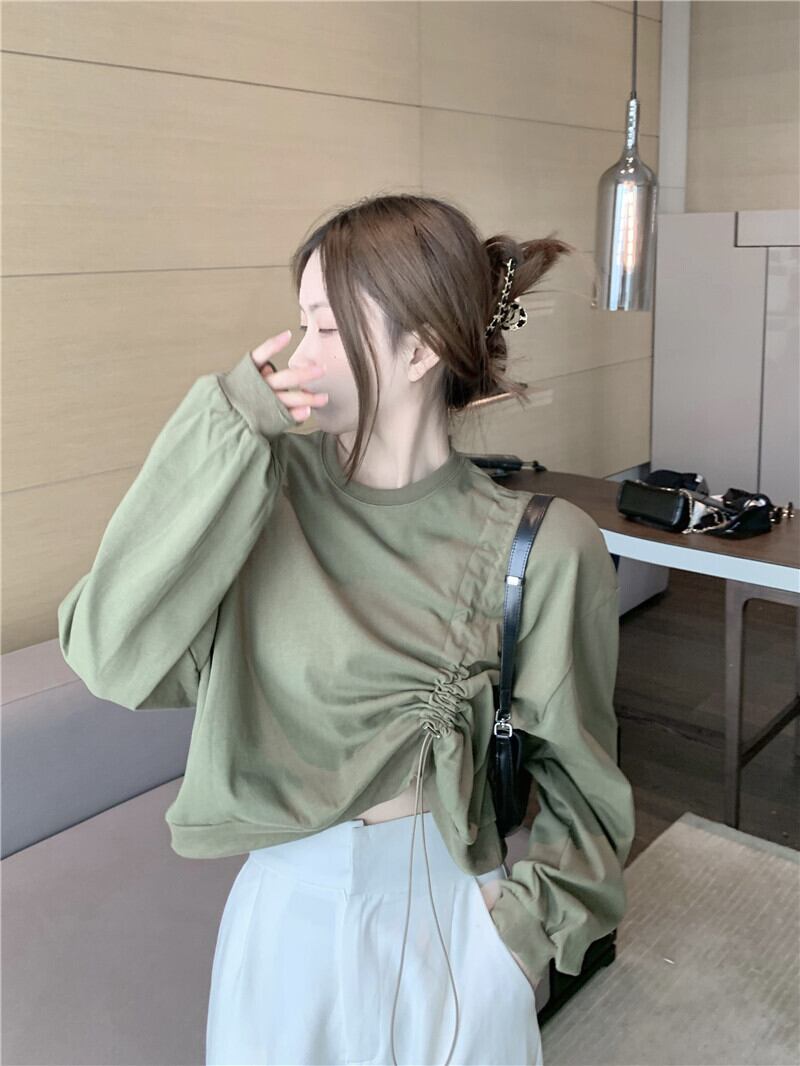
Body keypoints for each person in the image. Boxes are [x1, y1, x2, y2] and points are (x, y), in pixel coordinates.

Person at [57, 192, 636, 1066]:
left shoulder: (543, 547)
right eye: (302, 324)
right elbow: (110, 654)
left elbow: (584, 787)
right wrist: (225, 424)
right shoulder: (258, 487)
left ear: (420, 348)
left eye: (325, 327)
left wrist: (519, 940)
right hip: (284, 920)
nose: (298, 354)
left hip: (454, 918)